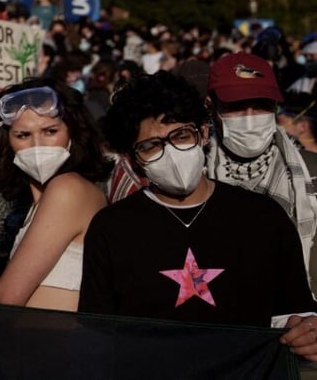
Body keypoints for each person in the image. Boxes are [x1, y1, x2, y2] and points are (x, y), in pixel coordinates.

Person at [80, 71, 317, 362]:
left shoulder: (264, 217)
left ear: (204, 133)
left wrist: (305, 333)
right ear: (132, 159)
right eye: (151, 146)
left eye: (181, 135)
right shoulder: (112, 228)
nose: (171, 153)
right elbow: (97, 337)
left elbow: (297, 314)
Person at [0, 79, 110, 311]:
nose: (37, 145)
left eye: (50, 131)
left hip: (58, 342)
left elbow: (8, 295)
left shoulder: (67, 189)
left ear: (73, 132)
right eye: (23, 135)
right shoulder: (38, 202)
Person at [203, 52, 317, 292]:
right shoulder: (193, 178)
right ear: (211, 107)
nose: (250, 117)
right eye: (236, 106)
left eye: (262, 105)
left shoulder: (311, 171)